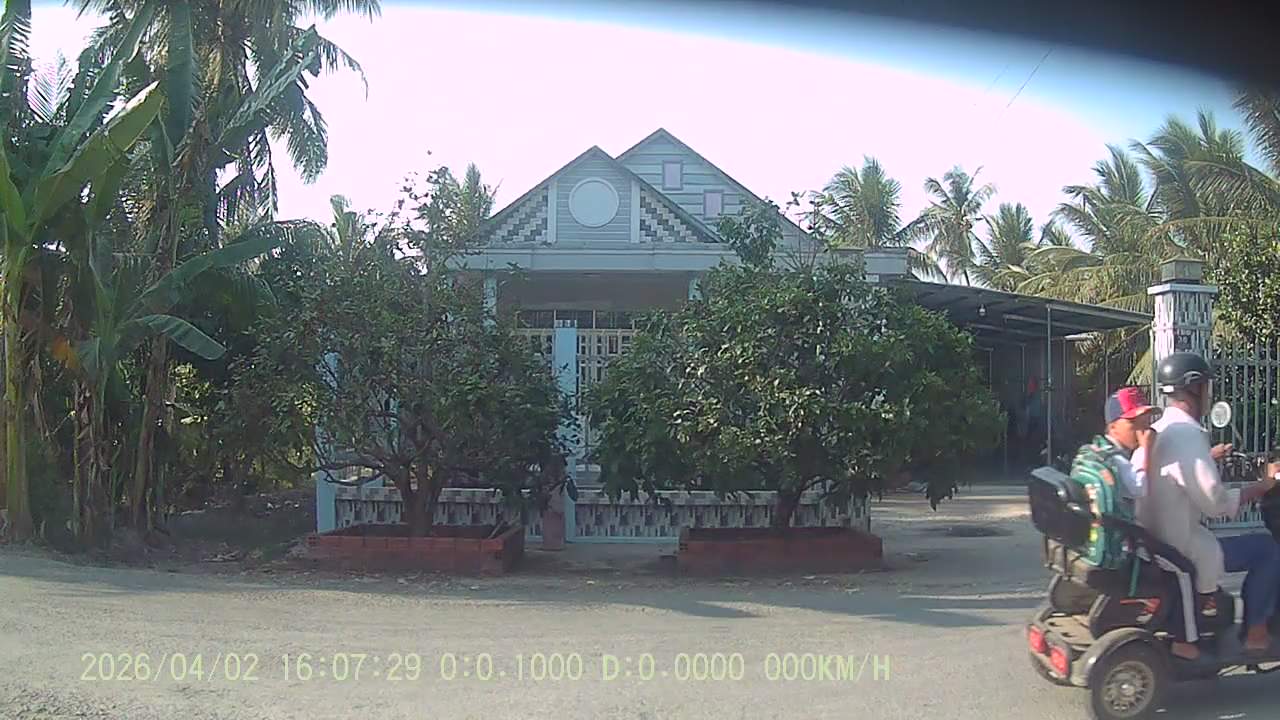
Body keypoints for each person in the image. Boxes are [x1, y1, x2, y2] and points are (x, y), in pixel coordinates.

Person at [1132, 352, 1280, 659]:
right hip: (1181, 544)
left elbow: (1173, 470)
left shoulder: (1162, 429)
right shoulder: (1189, 435)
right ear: (1197, 388)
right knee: (1268, 549)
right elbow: (1216, 503)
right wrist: (1262, 486)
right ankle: (1255, 634)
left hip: (1153, 538)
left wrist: (1208, 458)